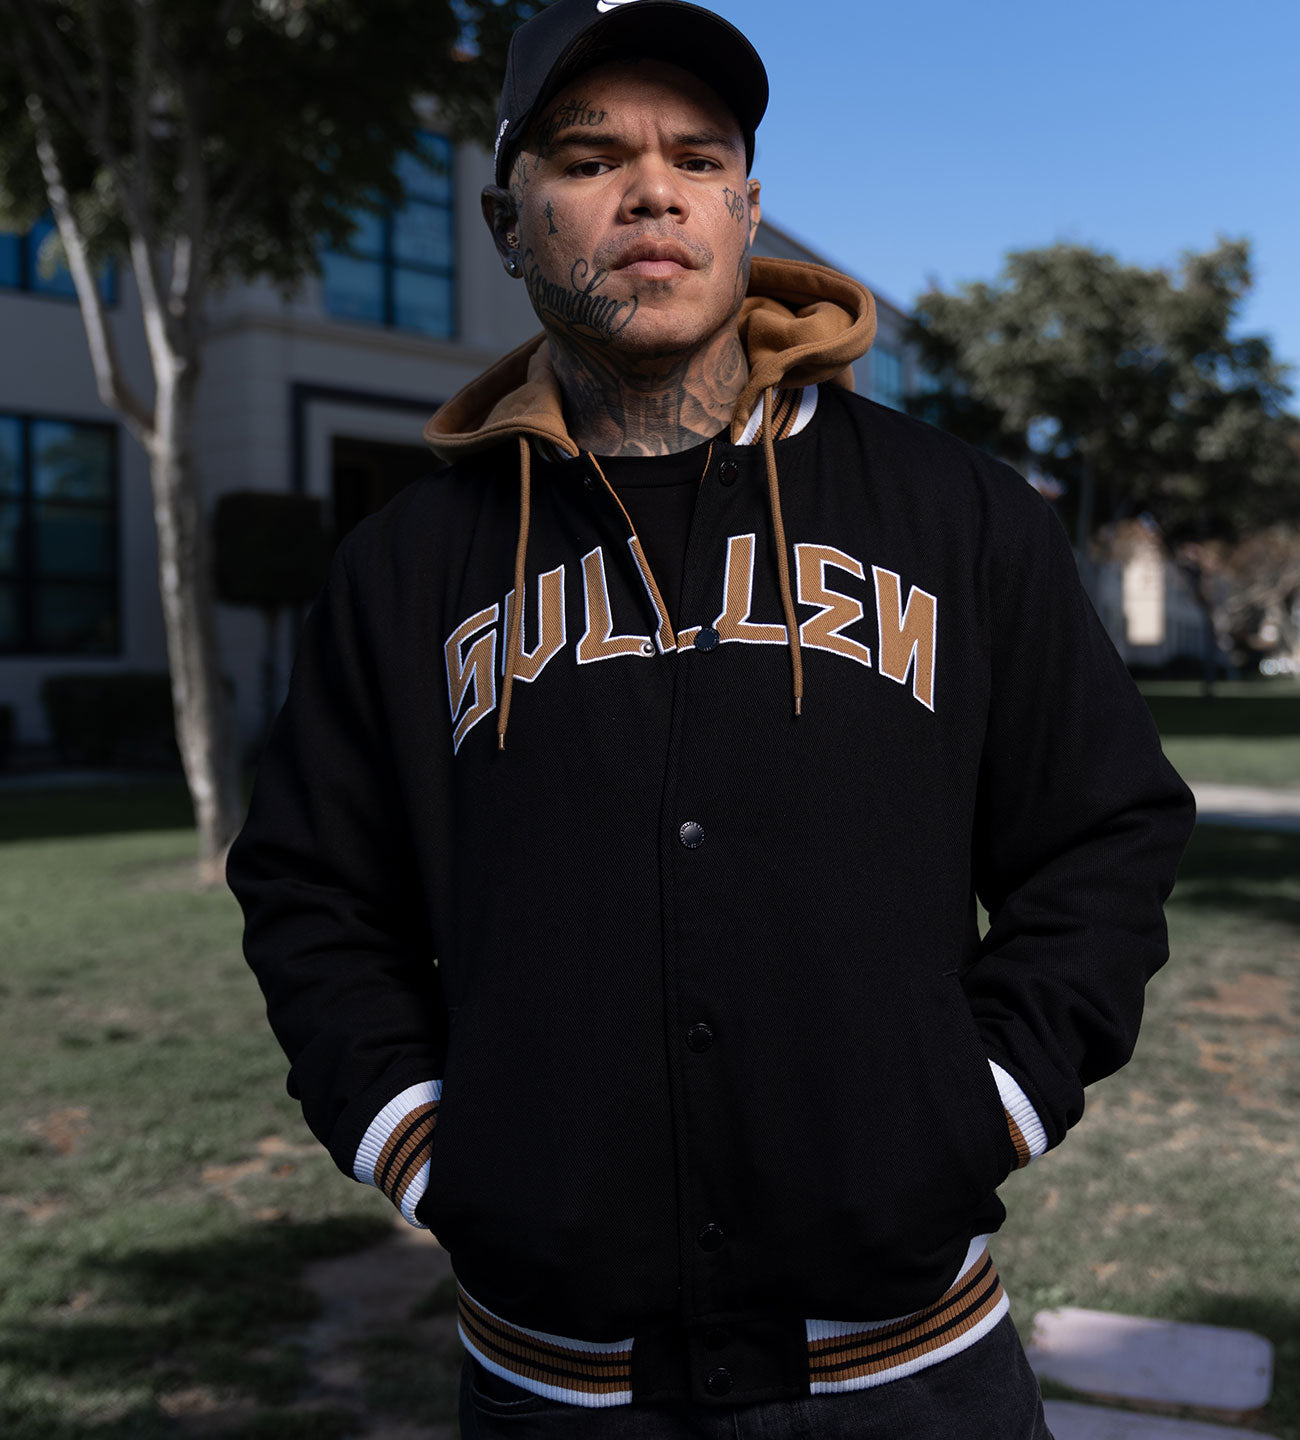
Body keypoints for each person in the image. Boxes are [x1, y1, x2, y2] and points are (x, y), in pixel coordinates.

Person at [227, 1, 1196, 1434]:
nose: (650, 189)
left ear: (749, 205)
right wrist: (427, 1145)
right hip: (556, 1381)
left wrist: (983, 1102)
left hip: (909, 1370)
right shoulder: (407, 565)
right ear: (510, 218)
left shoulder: (958, 511)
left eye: (698, 153)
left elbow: (1106, 837)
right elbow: (312, 892)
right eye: (587, 154)